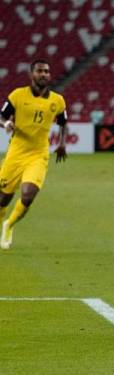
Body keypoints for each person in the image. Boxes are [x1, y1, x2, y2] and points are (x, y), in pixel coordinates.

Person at [0, 59, 68, 249]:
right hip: (16, 153)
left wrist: (62, 143)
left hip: (38, 155)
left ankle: (9, 225)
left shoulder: (57, 100)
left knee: (28, 196)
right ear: (32, 75)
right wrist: (6, 124)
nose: (44, 74)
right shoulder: (17, 95)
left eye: (46, 71)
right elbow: (2, 115)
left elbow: (63, 122)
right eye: (40, 71)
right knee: (3, 198)